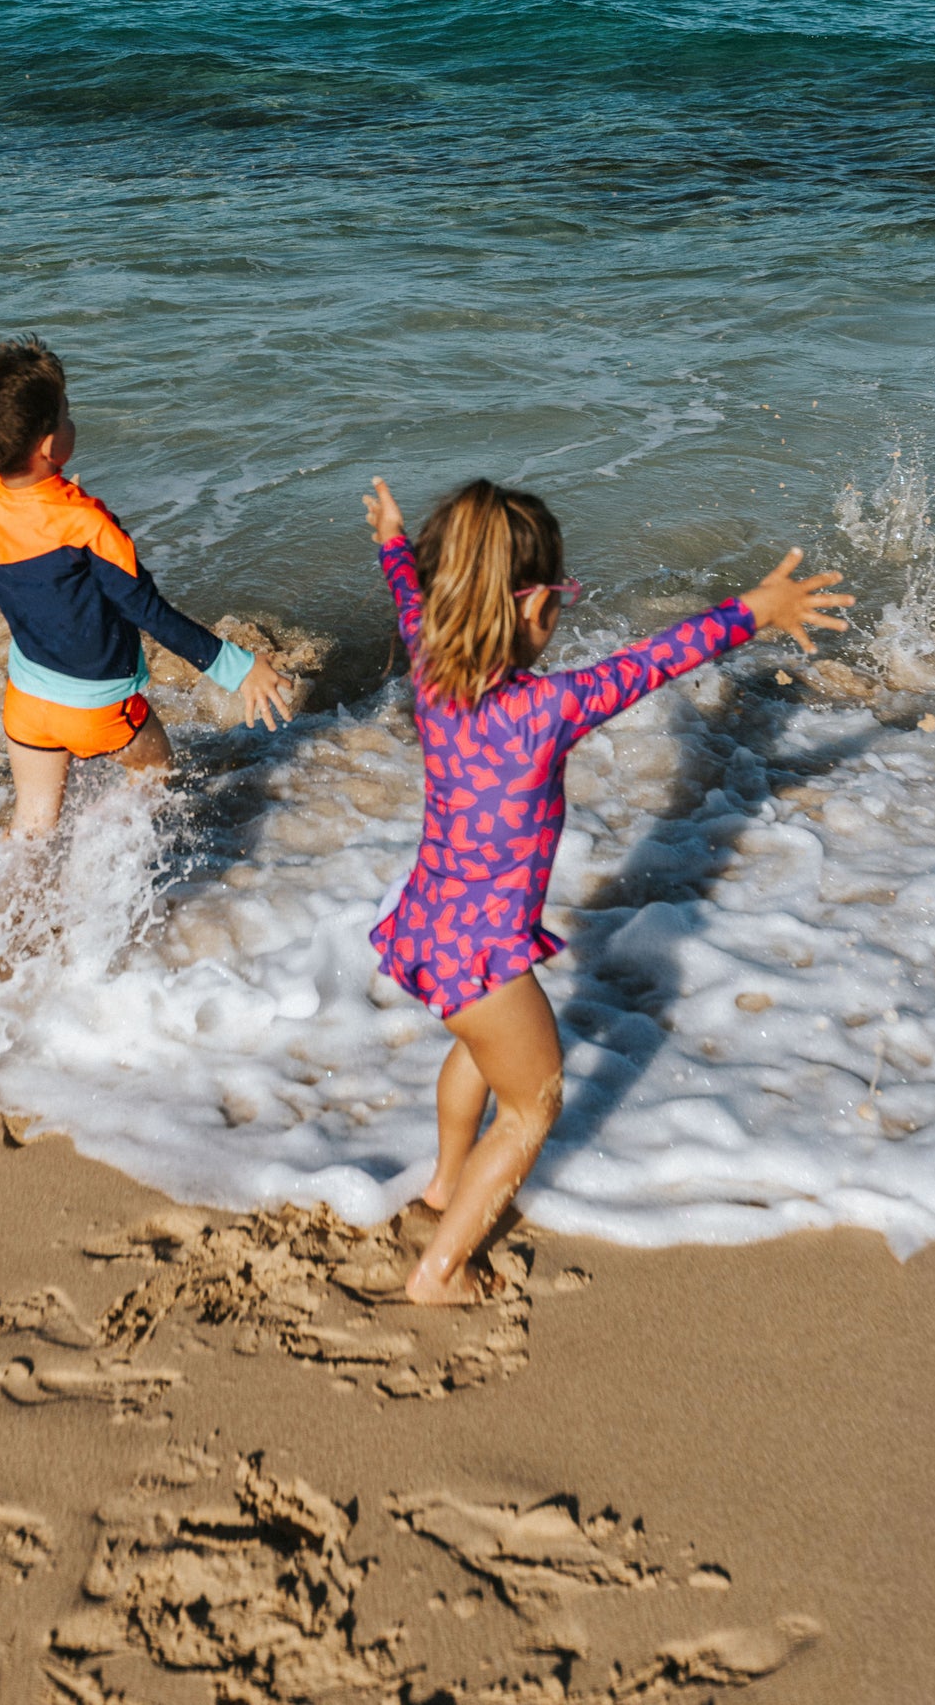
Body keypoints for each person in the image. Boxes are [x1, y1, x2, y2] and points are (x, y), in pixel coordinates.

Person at [363, 474, 853, 1304]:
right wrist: (756, 609)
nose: (562, 609)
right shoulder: (545, 708)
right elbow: (655, 660)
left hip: (426, 927)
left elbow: (409, 596)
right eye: (561, 595)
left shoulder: (431, 666)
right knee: (532, 1103)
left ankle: (444, 1183)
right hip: (487, 956)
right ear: (529, 605)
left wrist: (390, 542)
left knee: (477, 1048)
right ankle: (440, 1270)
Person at [0, 338, 293, 836]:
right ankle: (99, 853)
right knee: (155, 774)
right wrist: (238, 668)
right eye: (66, 414)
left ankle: (9, 887)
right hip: (95, 705)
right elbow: (148, 611)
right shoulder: (88, 525)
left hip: (25, 698)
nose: (71, 419)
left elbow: (37, 524)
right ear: (48, 447)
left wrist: (60, 490)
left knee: (33, 825)